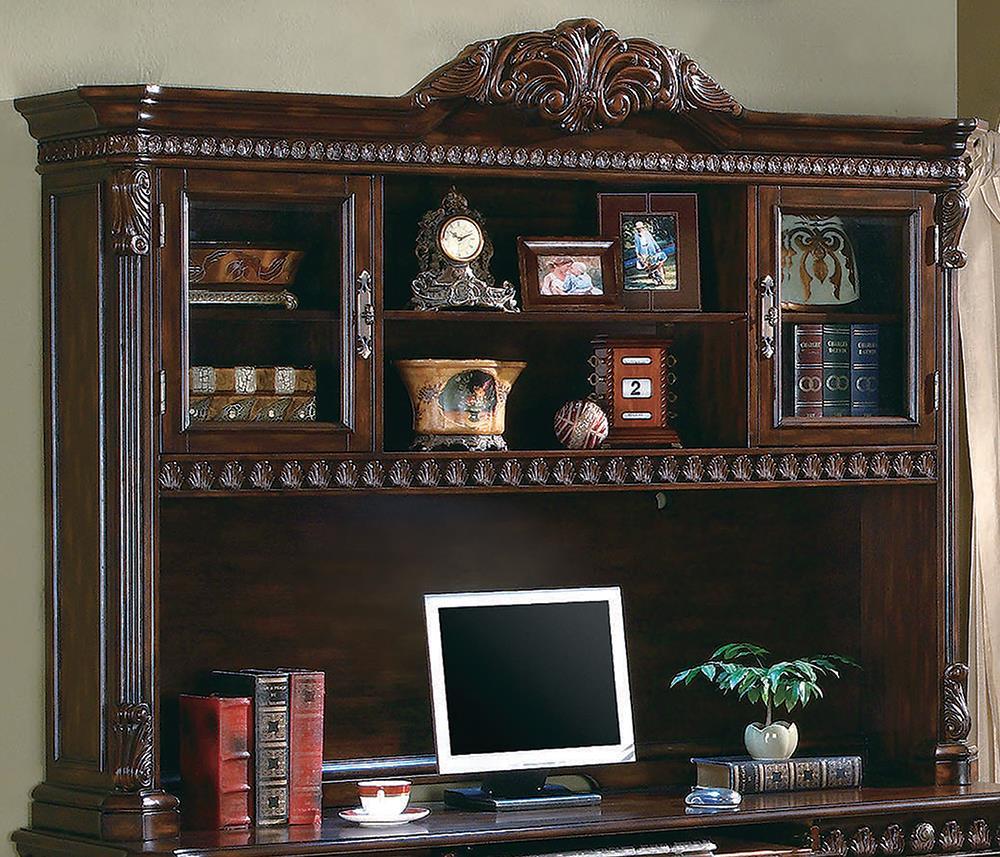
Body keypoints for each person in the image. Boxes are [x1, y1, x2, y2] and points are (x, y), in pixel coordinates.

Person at [632, 220, 669, 286]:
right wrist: (637, 254)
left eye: (640, 228)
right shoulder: (636, 236)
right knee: (649, 267)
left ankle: (662, 278)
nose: (639, 229)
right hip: (643, 251)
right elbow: (637, 245)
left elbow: (653, 241)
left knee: (658, 264)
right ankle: (656, 279)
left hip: (651, 250)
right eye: (638, 228)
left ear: (642, 227)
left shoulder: (647, 233)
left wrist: (658, 248)